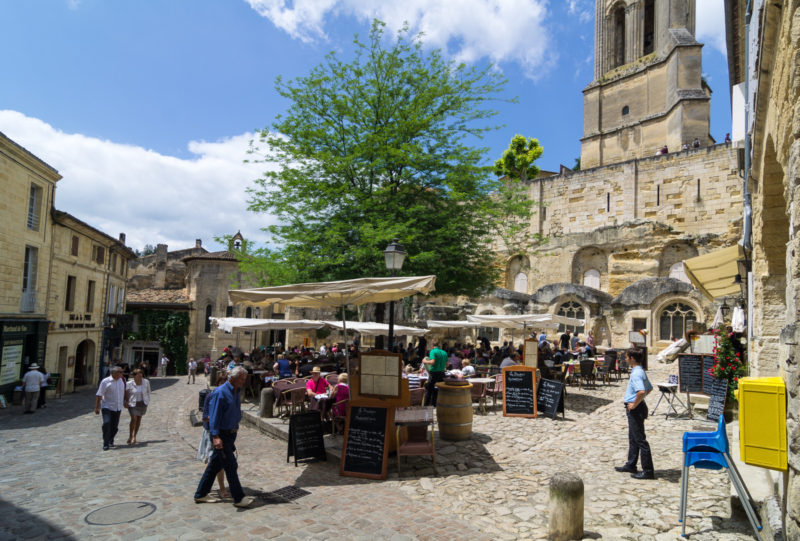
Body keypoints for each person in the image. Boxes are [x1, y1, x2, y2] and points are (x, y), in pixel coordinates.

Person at [194, 366, 254, 508]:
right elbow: (214, 416)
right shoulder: (220, 393)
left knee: (215, 465)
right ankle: (238, 498)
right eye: (241, 378)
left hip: (231, 433)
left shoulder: (236, 391)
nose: (243, 382)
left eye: (244, 379)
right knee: (231, 465)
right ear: (232, 377)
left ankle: (200, 494)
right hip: (222, 434)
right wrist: (215, 436)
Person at [615, 348, 655, 480]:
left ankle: (648, 470)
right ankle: (631, 464)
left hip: (635, 409)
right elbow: (649, 388)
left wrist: (634, 404)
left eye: (626, 357)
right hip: (638, 407)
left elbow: (642, 391)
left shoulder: (636, 373)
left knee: (640, 439)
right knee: (633, 437)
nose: (625, 359)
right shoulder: (639, 371)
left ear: (632, 358)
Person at [197, 374, 229, 499]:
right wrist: (217, 418)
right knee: (214, 461)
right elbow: (204, 416)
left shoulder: (227, 397)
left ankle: (207, 488)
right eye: (223, 382)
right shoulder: (211, 396)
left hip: (224, 432)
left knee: (217, 461)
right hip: (211, 432)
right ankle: (218, 488)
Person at [94, 366, 127, 450]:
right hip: (107, 406)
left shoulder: (121, 381)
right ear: (114, 373)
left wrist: (125, 401)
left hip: (117, 407)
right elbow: (99, 394)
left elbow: (124, 391)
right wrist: (97, 407)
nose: (122, 374)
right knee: (107, 423)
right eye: (120, 372)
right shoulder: (105, 381)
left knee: (115, 426)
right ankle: (106, 442)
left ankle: (110, 439)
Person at [126, 369, 151, 445]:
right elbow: (126, 393)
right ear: (134, 375)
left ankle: (134, 436)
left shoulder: (146, 382)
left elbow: (148, 392)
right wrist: (126, 401)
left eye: (141, 373)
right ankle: (130, 435)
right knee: (134, 418)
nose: (140, 375)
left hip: (142, 403)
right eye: (138, 374)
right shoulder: (129, 383)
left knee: (139, 419)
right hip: (132, 403)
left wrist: (147, 401)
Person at [422, 342, 447, 406]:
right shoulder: (444, 352)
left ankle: (426, 406)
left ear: (432, 345)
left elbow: (432, 362)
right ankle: (435, 404)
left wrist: (425, 361)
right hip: (442, 373)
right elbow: (447, 364)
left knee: (429, 390)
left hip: (434, 373)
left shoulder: (433, 351)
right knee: (438, 389)